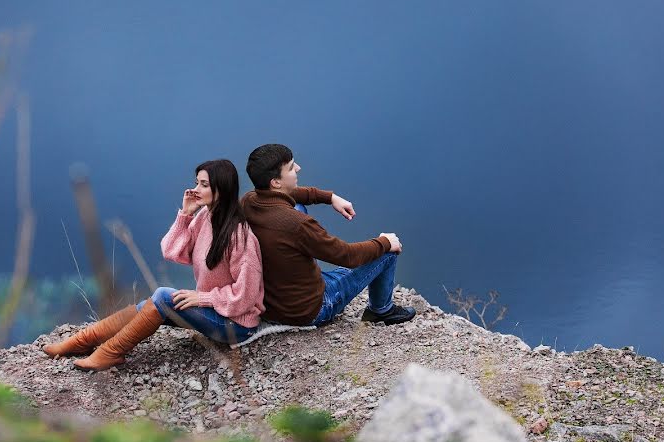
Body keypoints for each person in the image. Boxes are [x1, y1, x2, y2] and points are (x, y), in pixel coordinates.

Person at [43, 159, 264, 371]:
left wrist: (203, 298)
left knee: (163, 296)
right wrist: (186, 215)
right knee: (151, 304)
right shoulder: (206, 217)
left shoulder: (239, 235)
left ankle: (110, 352)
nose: (196, 189)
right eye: (196, 182)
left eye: (204, 184)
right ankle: (84, 341)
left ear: (222, 189)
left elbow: (246, 296)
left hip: (236, 325)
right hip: (215, 312)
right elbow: (170, 251)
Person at [241, 144, 415, 328]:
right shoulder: (297, 224)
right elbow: (346, 256)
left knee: (298, 205)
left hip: (272, 305)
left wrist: (329, 197)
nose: (298, 168)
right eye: (291, 167)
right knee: (386, 251)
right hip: (309, 310)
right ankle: (381, 310)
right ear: (275, 182)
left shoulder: (248, 201)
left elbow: (289, 194)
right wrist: (384, 242)